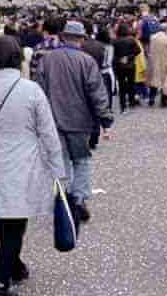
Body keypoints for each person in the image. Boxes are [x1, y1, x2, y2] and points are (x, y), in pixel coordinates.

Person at [0, 36, 65, 296]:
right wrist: (58, 171)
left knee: (8, 219)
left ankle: (15, 267)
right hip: (23, 164)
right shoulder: (31, 90)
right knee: (15, 221)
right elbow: (49, 134)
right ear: (18, 58)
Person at [34, 21, 112, 228]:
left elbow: (38, 92)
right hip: (80, 121)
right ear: (80, 39)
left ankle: (64, 197)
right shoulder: (87, 61)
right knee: (82, 160)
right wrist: (105, 120)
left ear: (62, 37)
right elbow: (97, 93)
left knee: (61, 161)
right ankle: (79, 199)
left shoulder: (47, 60)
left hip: (53, 120)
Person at [111, 23, 142, 113]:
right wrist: (129, 57)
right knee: (131, 84)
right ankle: (131, 101)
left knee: (121, 85)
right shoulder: (131, 40)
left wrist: (120, 59)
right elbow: (138, 51)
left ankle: (123, 104)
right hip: (130, 65)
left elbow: (113, 55)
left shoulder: (115, 41)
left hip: (119, 66)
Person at [146, 18, 167, 107]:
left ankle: (151, 98)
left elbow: (149, 49)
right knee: (166, 83)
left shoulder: (152, 38)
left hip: (154, 62)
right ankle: (163, 101)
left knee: (154, 81)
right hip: (166, 62)